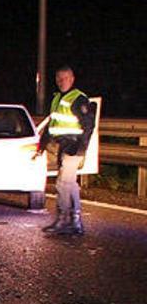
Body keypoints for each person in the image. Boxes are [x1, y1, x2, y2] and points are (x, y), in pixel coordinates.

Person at [40, 65, 95, 236]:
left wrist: (81, 150)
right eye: (58, 79)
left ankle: (66, 220)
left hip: (74, 146)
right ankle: (73, 221)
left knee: (63, 183)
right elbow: (52, 124)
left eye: (64, 78)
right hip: (62, 146)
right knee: (69, 184)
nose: (61, 82)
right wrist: (41, 146)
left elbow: (88, 126)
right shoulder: (57, 99)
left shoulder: (78, 98)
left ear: (72, 79)